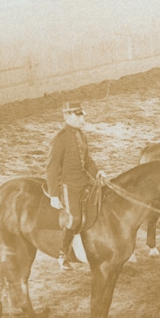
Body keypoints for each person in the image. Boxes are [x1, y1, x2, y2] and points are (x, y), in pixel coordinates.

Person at [46, 102, 100, 270]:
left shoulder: (81, 135)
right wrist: (54, 195)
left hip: (84, 181)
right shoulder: (59, 138)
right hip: (68, 186)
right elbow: (51, 168)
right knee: (74, 218)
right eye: (78, 115)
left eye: (82, 115)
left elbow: (88, 160)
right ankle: (63, 254)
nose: (82, 119)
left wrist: (98, 173)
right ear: (67, 116)